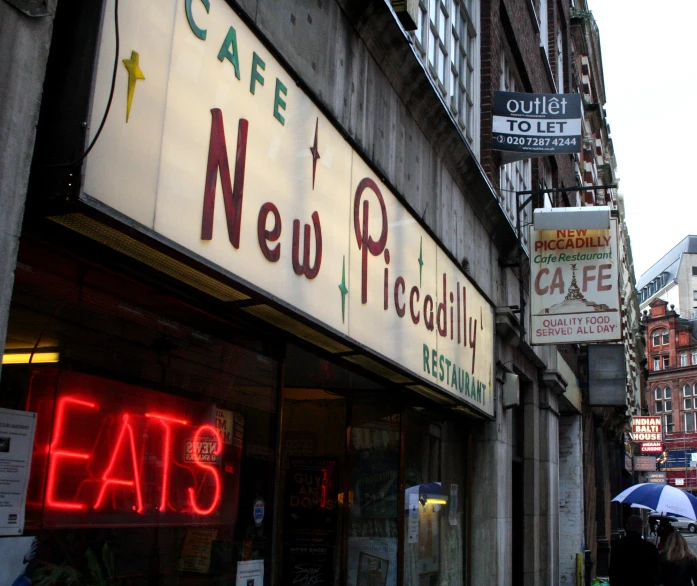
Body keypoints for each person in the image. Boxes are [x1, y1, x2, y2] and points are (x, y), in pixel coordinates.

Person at [608, 515, 661, 586]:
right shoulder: (650, 548)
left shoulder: (617, 545)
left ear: (627, 526)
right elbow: (656, 572)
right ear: (641, 529)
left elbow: (613, 570)